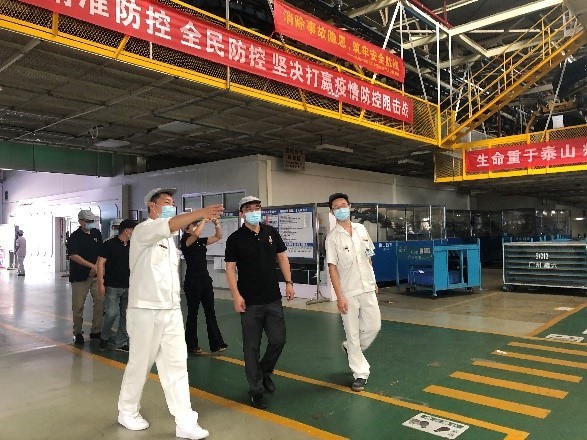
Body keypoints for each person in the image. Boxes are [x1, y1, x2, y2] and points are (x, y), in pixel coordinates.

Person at [117, 188, 223, 440]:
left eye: (173, 203)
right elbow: (172, 224)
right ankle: (127, 411)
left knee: (177, 367)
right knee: (140, 364)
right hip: (145, 309)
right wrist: (202, 213)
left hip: (171, 310)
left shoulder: (169, 240)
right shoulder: (144, 230)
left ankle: (185, 422)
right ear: (152, 206)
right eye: (166, 202)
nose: (171, 207)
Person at [224, 196, 295, 410]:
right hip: (249, 302)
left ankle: (264, 371)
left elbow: (282, 257)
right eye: (248, 209)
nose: (254, 211)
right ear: (242, 214)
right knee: (251, 347)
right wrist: (236, 295)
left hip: (273, 298)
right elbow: (230, 269)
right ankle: (255, 390)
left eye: (256, 208)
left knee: (278, 340)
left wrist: (289, 282)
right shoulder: (235, 239)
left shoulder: (271, 232)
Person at [325, 193, 381, 392]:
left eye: (343, 205)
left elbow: (368, 256)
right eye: (336, 207)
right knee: (352, 332)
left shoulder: (361, 229)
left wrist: (373, 280)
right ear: (332, 212)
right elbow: (332, 268)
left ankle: (350, 347)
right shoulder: (332, 238)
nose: (341, 209)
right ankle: (360, 373)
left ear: (350, 207)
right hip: (348, 291)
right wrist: (339, 296)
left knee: (374, 326)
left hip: (367, 287)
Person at [180, 217, 228, 355]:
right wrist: (203, 220)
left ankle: (216, 344)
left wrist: (216, 224)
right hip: (192, 282)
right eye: (193, 224)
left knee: (210, 312)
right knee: (193, 314)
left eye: (197, 224)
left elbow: (218, 236)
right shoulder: (186, 241)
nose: (196, 227)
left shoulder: (200, 241)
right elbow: (195, 235)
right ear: (187, 228)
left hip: (205, 281)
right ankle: (191, 345)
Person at [97, 219, 137, 352]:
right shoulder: (109, 244)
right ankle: (104, 336)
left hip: (128, 286)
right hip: (112, 286)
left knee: (127, 316)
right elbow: (100, 263)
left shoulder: (133, 245)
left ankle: (121, 341)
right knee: (111, 313)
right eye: (134, 230)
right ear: (127, 231)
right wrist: (101, 283)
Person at [68, 209, 104, 344]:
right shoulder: (74, 237)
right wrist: (92, 266)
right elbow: (74, 256)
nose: (90, 223)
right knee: (78, 306)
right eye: (88, 221)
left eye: (92, 221)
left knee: (100, 303)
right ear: (80, 221)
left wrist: (97, 268)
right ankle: (77, 332)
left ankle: (96, 330)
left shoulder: (96, 233)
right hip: (80, 277)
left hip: (96, 276)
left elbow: (101, 252)